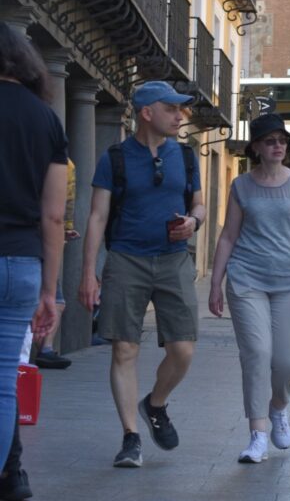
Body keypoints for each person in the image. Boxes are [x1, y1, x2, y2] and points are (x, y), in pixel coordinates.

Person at [78, 81, 205, 468]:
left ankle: (155, 403)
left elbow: (198, 205)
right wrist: (88, 273)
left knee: (183, 349)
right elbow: (98, 216)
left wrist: (193, 223)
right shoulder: (115, 158)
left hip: (172, 259)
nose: (179, 116)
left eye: (180, 110)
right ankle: (131, 437)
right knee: (124, 348)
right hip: (126, 260)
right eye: (171, 109)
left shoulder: (185, 157)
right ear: (147, 113)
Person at [208, 113, 290, 464]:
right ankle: (257, 436)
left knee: (287, 361)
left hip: (289, 282)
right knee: (257, 353)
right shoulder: (241, 186)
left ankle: (278, 409)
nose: (278, 146)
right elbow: (228, 235)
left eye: (282, 141)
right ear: (256, 147)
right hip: (246, 280)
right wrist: (215, 282)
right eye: (270, 140)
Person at [0, 22, 64, 482]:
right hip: (21, 265)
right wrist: (49, 290)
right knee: (4, 384)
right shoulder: (45, 119)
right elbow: (54, 216)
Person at [35, 157, 79, 370]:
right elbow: (64, 203)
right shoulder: (63, 164)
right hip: (40, 239)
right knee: (55, 300)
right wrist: (65, 228)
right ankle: (45, 349)